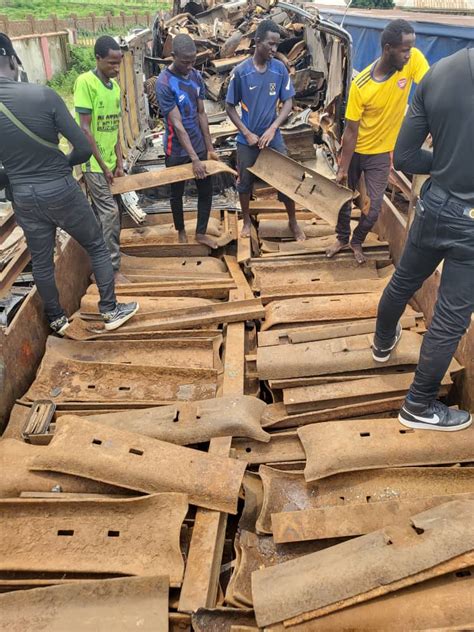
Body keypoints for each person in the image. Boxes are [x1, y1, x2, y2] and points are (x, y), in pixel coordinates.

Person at [0, 33, 138, 334]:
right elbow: (83, 147)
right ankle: (110, 310)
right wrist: (59, 165)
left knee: (42, 261)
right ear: (12, 59)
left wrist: (16, 176)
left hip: (23, 195)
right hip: (59, 187)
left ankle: (57, 319)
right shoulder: (43, 96)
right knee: (95, 244)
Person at [372, 48, 474, 432]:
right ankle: (419, 404)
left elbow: (406, 156)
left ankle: (383, 344)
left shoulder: (438, 73)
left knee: (404, 280)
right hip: (470, 225)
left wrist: (446, 160)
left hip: (433, 207)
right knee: (450, 319)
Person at [326, 19, 429, 264]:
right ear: (387, 49)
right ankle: (341, 236)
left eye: (410, 48)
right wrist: (342, 168)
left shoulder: (412, 61)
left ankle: (357, 240)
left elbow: (430, 87)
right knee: (343, 196)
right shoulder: (361, 86)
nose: (409, 54)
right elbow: (350, 132)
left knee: (372, 210)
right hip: (354, 150)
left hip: (380, 153)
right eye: (404, 49)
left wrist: (433, 121)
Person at [226, 19, 305, 241]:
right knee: (244, 183)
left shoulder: (279, 70)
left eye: (277, 45)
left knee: (286, 180)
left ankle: (293, 222)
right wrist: (246, 132)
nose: (274, 50)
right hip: (247, 140)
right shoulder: (241, 72)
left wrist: (273, 128)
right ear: (257, 42)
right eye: (270, 44)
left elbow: (288, 102)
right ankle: (247, 221)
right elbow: (229, 106)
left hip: (273, 139)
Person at [156, 34, 218, 249]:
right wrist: (194, 160)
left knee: (206, 190)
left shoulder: (196, 76)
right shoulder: (164, 83)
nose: (190, 65)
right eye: (185, 62)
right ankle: (181, 230)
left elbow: (201, 113)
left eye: (193, 61)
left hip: (199, 146)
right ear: (173, 57)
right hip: (176, 150)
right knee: (176, 193)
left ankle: (200, 232)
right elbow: (177, 124)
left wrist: (209, 149)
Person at [74, 35, 127, 280]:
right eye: (111, 63)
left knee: (113, 212)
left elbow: (114, 127)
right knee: (109, 213)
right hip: (93, 163)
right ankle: (109, 270)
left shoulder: (114, 88)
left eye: (119, 63)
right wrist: (103, 166)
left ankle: (105, 258)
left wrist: (119, 160)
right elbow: (85, 129)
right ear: (98, 58)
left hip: (109, 162)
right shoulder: (85, 83)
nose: (116, 68)